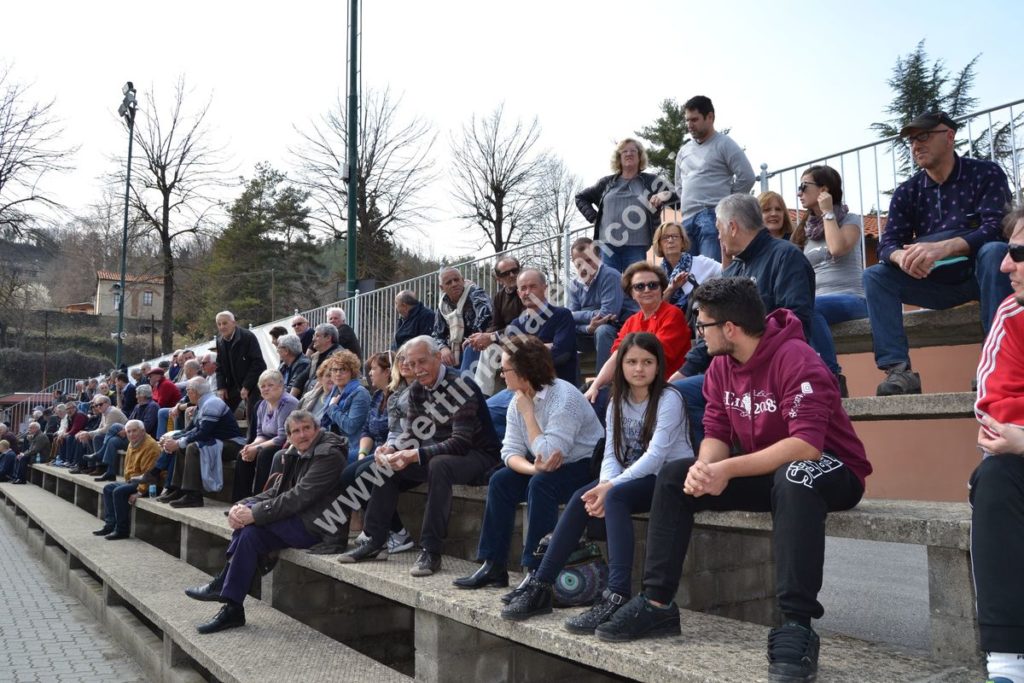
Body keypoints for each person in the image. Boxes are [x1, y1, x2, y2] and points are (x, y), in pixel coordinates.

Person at [593, 278, 871, 683]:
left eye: (702, 325)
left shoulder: (798, 359)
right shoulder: (720, 367)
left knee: (794, 477)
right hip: (767, 471)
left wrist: (727, 470)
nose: (696, 333)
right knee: (675, 474)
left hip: (830, 470)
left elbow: (805, 447)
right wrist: (707, 468)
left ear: (729, 328)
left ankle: (797, 625)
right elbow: (717, 433)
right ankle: (656, 604)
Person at [501, 333, 693, 634]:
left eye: (647, 362)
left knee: (614, 498)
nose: (639, 369)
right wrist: (604, 483)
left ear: (659, 366)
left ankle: (616, 595)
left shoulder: (670, 399)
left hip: (667, 478)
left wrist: (611, 487)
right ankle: (541, 585)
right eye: (631, 362)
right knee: (583, 495)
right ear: (621, 366)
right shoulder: (617, 400)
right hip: (631, 476)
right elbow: (612, 453)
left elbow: (656, 457)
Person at [863, 110, 1012, 396]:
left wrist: (946, 246)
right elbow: (887, 243)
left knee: (994, 252)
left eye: (924, 136)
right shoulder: (908, 191)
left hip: (980, 276)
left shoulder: (985, 173)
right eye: (911, 140)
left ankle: (997, 365)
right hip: (932, 281)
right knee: (875, 276)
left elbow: (998, 227)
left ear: (949, 136)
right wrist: (901, 258)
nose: (916, 145)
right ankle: (899, 372)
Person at [338, 335, 501, 577]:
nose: (416, 369)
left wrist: (415, 454)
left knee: (439, 465)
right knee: (386, 466)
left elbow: (460, 442)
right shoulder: (416, 389)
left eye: (422, 362)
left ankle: (431, 550)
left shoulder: (460, 385)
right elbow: (411, 433)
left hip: (478, 454)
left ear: (438, 357)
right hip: (442, 451)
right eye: (411, 364)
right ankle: (374, 540)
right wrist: (393, 450)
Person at [454, 336, 603, 593]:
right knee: (501, 480)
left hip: (585, 465)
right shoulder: (518, 399)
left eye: (506, 369)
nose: (501, 373)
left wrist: (528, 414)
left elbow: (546, 452)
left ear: (525, 370)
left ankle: (537, 571)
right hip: (546, 465)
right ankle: (494, 565)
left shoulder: (563, 398)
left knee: (542, 484)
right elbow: (510, 452)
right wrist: (534, 468)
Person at [672, 193, 816, 448]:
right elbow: (711, 330)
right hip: (734, 374)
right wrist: (680, 374)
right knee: (675, 394)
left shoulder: (786, 256)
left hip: (775, 372)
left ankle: (731, 466)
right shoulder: (733, 271)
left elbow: (796, 320)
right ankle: (713, 465)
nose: (718, 237)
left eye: (718, 229)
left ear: (732, 227)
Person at [184, 411, 346, 634]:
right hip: (297, 520)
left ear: (316, 429)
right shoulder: (296, 452)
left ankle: (223, 584)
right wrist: (241, 506)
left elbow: (299, 496)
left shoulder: (329, 455)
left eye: (307, 428)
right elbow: (277, 491)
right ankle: (233, 608)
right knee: (249, 534)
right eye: (296, 431)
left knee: (251, 525)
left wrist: (254, 514)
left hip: (320, 526)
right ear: (288, 436)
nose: (303, 434)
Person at [972, 206, 1024, 683]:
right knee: (994, 477)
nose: (1005, 266)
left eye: (1018, 254)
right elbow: (995, 409)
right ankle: (1007, 661)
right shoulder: (1012, 313)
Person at [331, 346, 415, 556]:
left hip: (396, 450)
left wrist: (383, 451)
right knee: (348, 474)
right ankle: (383, 529)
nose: (369, 373)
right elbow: (367, 429)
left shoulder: (402, 395)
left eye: (374, 369)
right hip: (376, 450)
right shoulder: (378, 396)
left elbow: (399, 432)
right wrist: (361, 454)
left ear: (387, 372)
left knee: (364, 474)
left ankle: (393, 532)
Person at [793, 165, 866, 397]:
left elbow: (836, 248)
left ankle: (831, 376)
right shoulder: (804, 230)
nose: (799, 192)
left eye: (804, 186)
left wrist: (827, 211)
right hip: (817, 304)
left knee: (808, 308)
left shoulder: (850, 219)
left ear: (824, 189)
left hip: (854, 298)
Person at [583, 262, 691, 412]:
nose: (647, 290)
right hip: (635, 386)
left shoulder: (672, 315)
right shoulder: (631, 322)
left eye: (653, 285)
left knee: (599, 402)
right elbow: (616, 357)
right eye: (640, 286)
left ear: (661, 289)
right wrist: (595, 385)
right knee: (587, 394)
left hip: (663, 388)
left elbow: (654, 357)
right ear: (631, 293)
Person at [486, 268, 578, 437]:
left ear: (545, 288)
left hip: (553, 389)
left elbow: (561, 355)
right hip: (520, 390)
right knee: (486, 411)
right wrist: (545, 347)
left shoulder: (562, 316)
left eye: (532, 287)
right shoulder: (515, 326)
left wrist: (527, 353)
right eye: (522, 288)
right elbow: (513, 362)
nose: (526, 292)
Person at [671, 96, 756, 261]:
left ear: (710, 117)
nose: (689, 125)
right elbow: (679, 185)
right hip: (687, 219)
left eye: (694, 119)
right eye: (687, 120)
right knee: (686, 277)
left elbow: (747, 176)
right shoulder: (683, 151)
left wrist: (726, 204)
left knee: (711, 274)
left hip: (712, 216)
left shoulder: (725, 144)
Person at [575, 138, 679, 274]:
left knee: (637, 285)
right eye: (624, 151)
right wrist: (596, 219)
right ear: (619, 157)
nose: (628, 154)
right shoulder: (607, 183)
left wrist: (663, 195)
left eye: (633, 151)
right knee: (611, 285)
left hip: (637, 245)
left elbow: (676, 195)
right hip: (607, 246)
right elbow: (580, 198)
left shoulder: (650, 181)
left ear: (640, 156)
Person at [155, 377, 246, 508]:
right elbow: (189, 430)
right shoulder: (202, 404)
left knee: (192, 447)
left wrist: (179, 442)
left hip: (233, 444)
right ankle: (179, 489)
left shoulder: (212, 403)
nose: (186, 395)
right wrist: (174, 438)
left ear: (194, 392)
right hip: (216, 441)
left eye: (187, 391)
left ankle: (193, 496)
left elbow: (203, 433)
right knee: (183, 446)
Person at [567, 237, 637, 378]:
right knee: (564, 334)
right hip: (590, 332)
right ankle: (572, 389)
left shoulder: (610, 276)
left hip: (620, 328)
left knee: (603, 330)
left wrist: (576, 315)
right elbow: (568, 321)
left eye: (589, 260)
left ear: (599, 258)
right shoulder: (574, 285)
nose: (584, 267)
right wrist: (587, 328)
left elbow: (608, 313)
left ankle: (603, 386)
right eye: (579, 263)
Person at [232, 369, 300, 502]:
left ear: (281, 386)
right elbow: (261, 434)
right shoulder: (262, 405)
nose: (266, 389)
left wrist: (257, 449)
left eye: (270, 385)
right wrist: (251, 446)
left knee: (264, 454)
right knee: (243, 454)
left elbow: (282, 437)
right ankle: (241, 502)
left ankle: (258, 502)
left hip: (288, 443)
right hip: (269, 441)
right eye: (263, 386)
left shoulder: (288, 403)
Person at [467, 257, 526, 396]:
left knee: (490, 349)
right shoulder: (499, 297)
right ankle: (466, 391)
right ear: (498, 279)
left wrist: (491, 337)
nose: (512, 275)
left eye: (514, 271)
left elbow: (523, 325)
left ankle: (481, 396)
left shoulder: (526, 292)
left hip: (523, 339)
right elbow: (495, 324)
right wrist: (478, 338)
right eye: (506, 273)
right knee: (472, 347)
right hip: (506, 339)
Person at [93, 420, 160, 540]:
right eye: (128, 431)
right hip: (134, 481)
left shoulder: (150, 446)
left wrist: (140, 492)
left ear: (143, 431)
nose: (131, 434)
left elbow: (149, 475)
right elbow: (128, 467)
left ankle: (122, 530)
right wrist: (127, 481)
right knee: (108, 488)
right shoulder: (132, 443)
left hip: (150, 484)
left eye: (134, 431)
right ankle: (110, 525)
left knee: (119, 492)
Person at [652, 221, 722, 318]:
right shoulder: (656, 274)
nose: (670, 240)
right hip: (668, 324)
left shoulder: (701, 262)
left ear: (682, 241)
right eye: (665, 237)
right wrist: (671, 288)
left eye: (675, 236)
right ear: (659, 244)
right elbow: (654, 309)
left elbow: (728, 272)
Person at [431, 267, 493, 373]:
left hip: (476, 344)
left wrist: (471, 339)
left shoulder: (476, 294)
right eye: (449, 282)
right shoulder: (442, 306)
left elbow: (486, 318)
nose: (454, 284)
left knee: (471, 346)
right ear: (442, 287)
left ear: (462, 280)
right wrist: (443, 348)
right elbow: (437, 334)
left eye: (456, 280)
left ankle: (465, 385)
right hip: (454, 349)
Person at [214, 311, 268, 427]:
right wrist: (221, 386)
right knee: (220, 410)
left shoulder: (247, 337)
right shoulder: (219, 341)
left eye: (225, 323)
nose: (222, 327)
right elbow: (220, 366)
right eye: (219, 324)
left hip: (253, 382)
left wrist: (247, 386)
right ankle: (227, 438)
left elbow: (258, 363)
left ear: (233, 323)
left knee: (252, 414)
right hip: (234, 384)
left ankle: (251, 441)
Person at [320, 351, 371, 464]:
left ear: (352, 372)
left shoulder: (360, 393)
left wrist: (333, 407)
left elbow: (350, 426)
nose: (338, 374)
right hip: (337, 443)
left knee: (322, 460)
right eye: (334, 370)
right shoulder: (335, 390)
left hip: (355, 446)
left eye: (343, 370)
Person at [71, 395, 127, 478]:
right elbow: (100, 428)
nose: (98, 407)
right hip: (113, 436)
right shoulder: (104, 412)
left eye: (100, 404)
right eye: (96, 405)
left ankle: (100, 466)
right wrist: (87, 433)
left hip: (123, 437)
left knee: (96, 437)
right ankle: (92, 466)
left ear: (107, 404)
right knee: (89, 437)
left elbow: (107, 429)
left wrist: (89, 433)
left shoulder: (112, 412)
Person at [276, 333, 311, 399]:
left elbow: (291, 389)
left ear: (286, 351)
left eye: (278, 348)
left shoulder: (303, 364)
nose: (277, 351)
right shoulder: (283, 366)